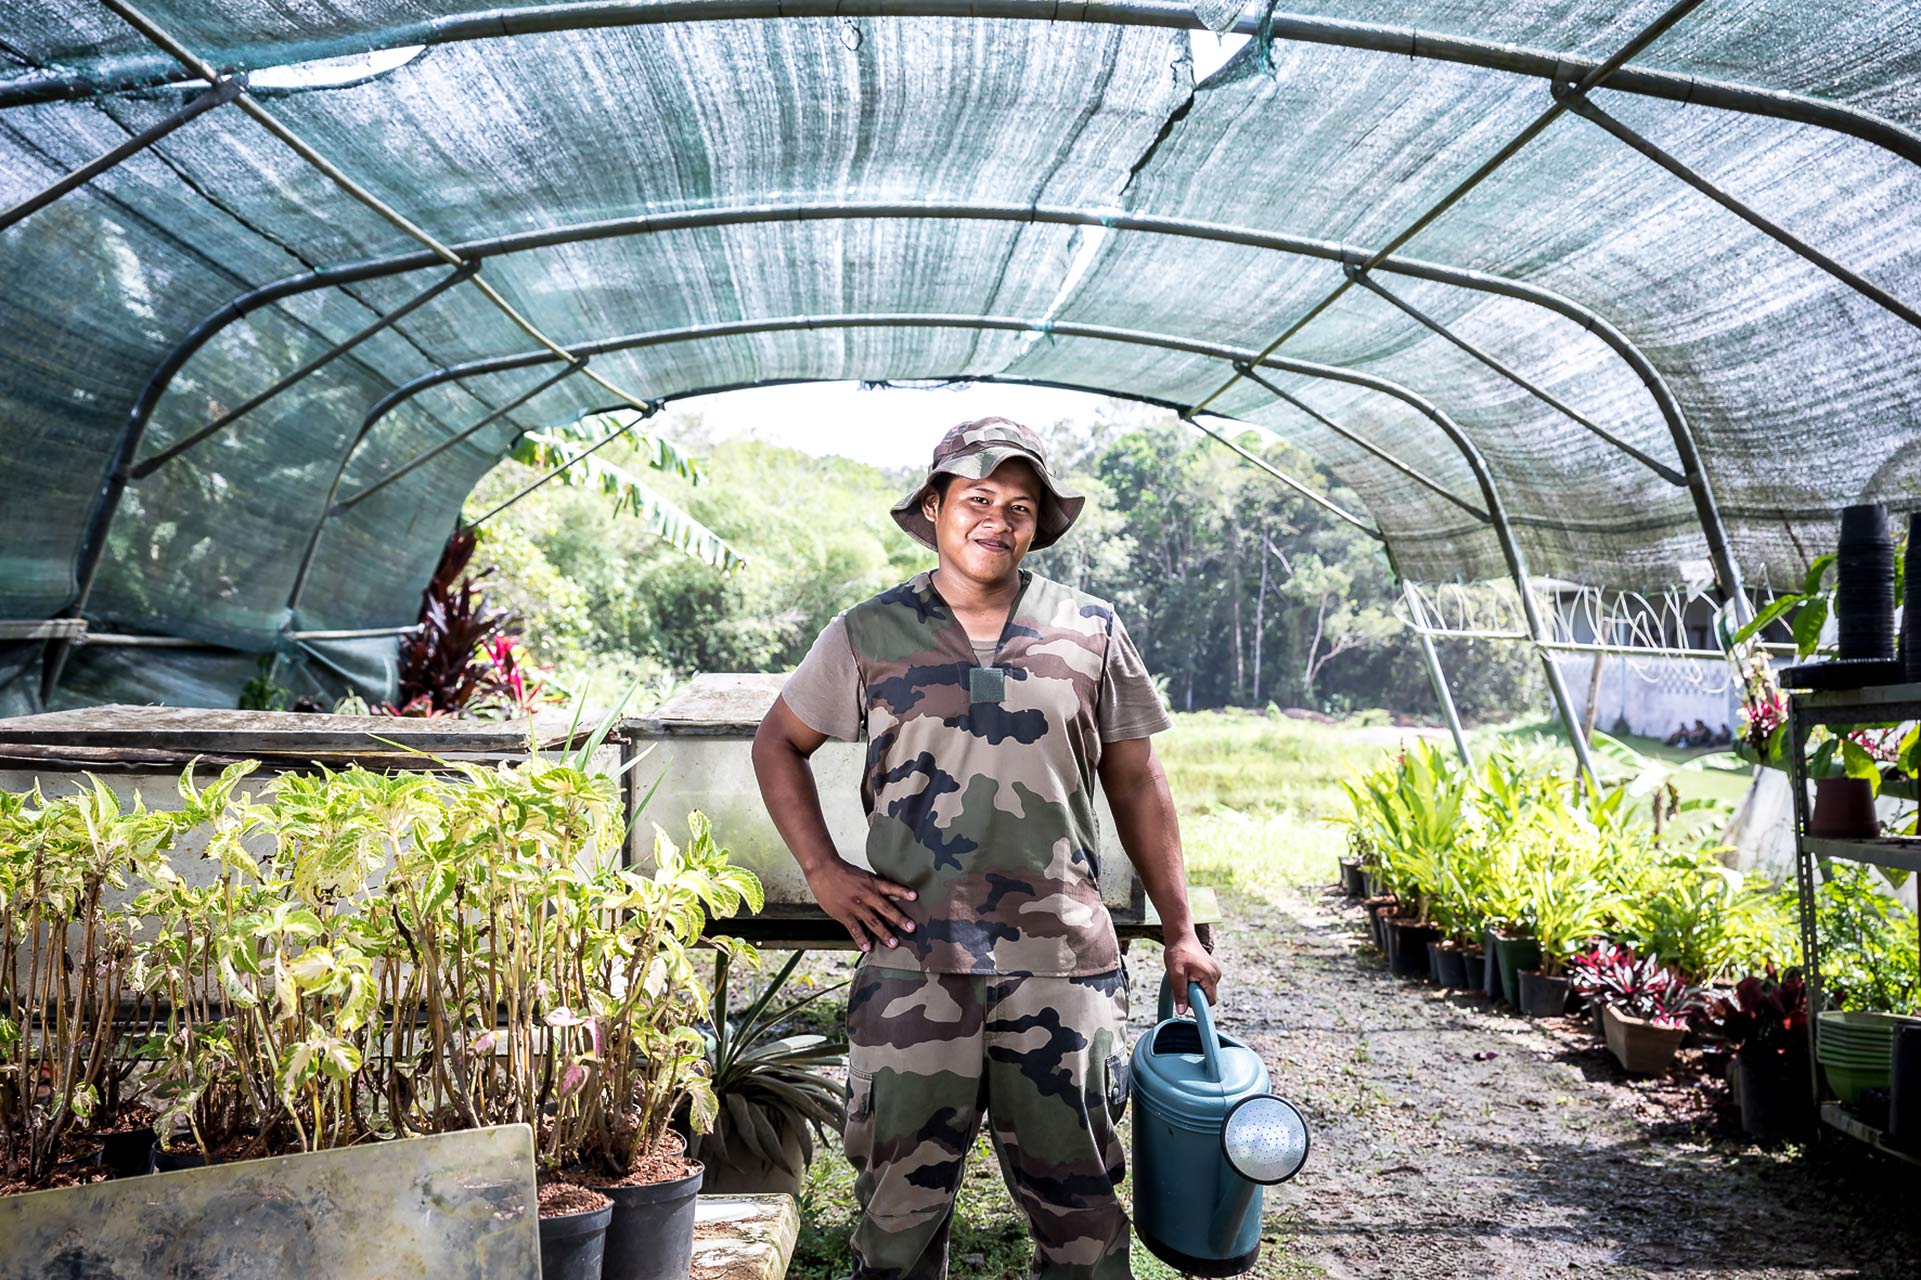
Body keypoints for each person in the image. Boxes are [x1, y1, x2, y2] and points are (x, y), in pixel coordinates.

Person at [752, 418, 1220, 1280]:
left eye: (1019, 505)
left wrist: (1181, 928)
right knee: (896, 1215)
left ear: (1037, 524)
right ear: (932, 507)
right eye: (976, 499)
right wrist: (822, 870)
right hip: (909, 961)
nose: (996, 519)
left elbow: (1138, 783)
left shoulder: (1090, 630)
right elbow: (776, 742)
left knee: (1079, 1213)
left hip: (1062, 960)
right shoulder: (868, 631)